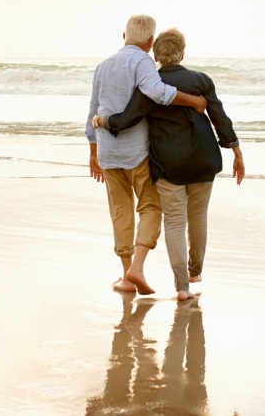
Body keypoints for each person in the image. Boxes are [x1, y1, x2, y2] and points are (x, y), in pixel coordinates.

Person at [94, 28, 244, 300]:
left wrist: (103, 121)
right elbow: (220, 117)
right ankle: (195, 271)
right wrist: (235, 150)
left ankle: (182, 287)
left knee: (175, 222)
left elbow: (127, 119)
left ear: (156, 55)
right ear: (182, 53)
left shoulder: (149, 85)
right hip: (203, 159)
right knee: (198, 216)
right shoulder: (201, 80)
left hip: (168, 166)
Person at [86, 16, 207, 295]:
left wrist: (93, 151)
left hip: (107, 151)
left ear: (124, 35)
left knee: (120, 211)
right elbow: (157, 92)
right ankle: (137, 268)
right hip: (136, 152)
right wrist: (193, 100)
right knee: (151, 207)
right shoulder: (143, 61)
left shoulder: (102, 66)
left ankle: (127, 277)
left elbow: (93, 109)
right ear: (150, 42)